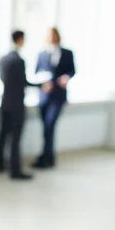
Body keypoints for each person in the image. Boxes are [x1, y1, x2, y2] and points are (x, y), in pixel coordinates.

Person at [0, 30, 50, 180]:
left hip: (5, 101)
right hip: (17, 104)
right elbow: (23, 82)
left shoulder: (3, 59)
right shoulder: (18, 60)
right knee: (15, 138)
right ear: (20, 39)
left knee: (3, 133)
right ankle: (15, 170)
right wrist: (41, 85)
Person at [31, 27, 76, 169]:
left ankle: (47, 158)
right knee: (45, 128)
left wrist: (66, 77)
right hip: (44, 96)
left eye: (53, 35)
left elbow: (72, 70)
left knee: (50, 126)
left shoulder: (67, 53)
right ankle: (47, 157)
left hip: (58, 95)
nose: (51, 37)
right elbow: (37, 72)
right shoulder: (41, 54)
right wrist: (43, 83)